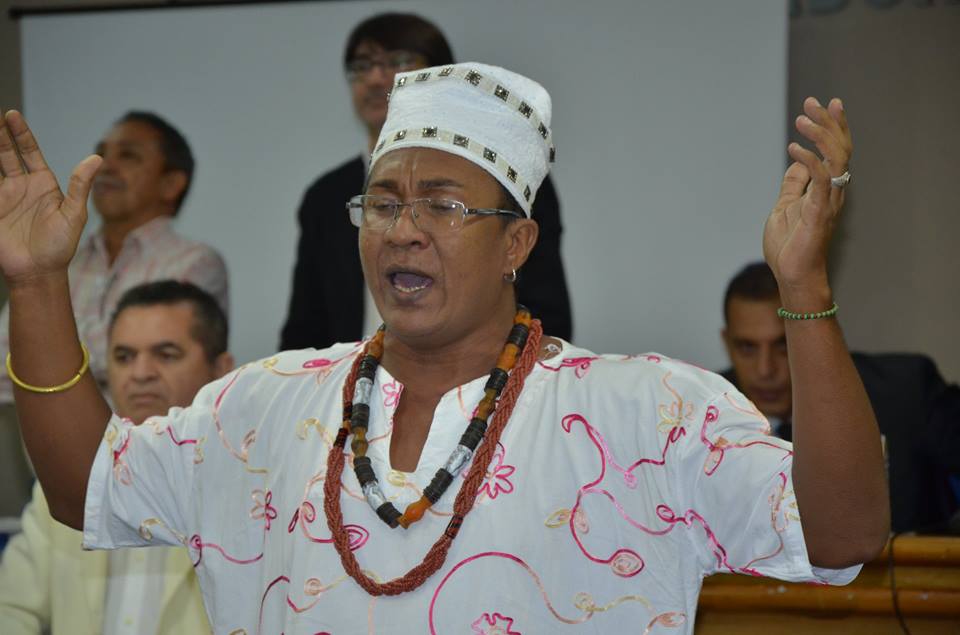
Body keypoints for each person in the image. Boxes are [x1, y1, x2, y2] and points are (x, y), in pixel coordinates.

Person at [0, 60, 889, 633]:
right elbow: (88, 490)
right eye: (383, 203)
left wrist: (804, 287)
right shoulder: (263, 405)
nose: (404, 229)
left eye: (445, 205)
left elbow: (842, 534)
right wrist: (37, 283)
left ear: (516, 243)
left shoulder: (642, 412)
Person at [280, 13, 573, 350]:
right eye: (362, 66)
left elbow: (547, 307)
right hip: (357, 375)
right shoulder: (326, 195)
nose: (375, 78)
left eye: (397, 62)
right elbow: (306, 325)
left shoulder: (511, 184)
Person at [0, 280, 231, 634]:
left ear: (221, 370)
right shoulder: (71, 484)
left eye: (166, 354)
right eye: (124, 357)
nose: (140, 373)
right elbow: (10, 610)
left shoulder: (249, 491)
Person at [0, 111, 229, 402]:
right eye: (101, 153)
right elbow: (5, 360)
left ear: (171, 183)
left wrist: (43, 351)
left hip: (147, 432)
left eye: (128, 156)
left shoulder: (195, 261)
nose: (105, 166)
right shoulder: (58, 261)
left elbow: (139, 356)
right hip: (44, 429)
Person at [720, 261, 960, 533]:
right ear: (727, 343)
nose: (765, 370)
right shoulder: (705, 412)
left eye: (783, 345)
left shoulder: (907, 390)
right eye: (747, 347)